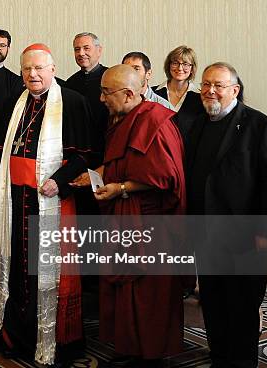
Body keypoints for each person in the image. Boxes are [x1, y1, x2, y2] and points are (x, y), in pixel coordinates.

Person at [0, 43, 92, 366]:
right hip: (15, 202)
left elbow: (85, 156)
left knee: (47, 272)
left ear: (52, 70)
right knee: (18, 268)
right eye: (27, 69)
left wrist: (58, 180)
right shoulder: (11, 104)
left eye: (39, 68)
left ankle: (53, 343)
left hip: (51, 201)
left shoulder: (72, 102)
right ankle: (16, 336)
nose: (33, 74)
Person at [186, 62, 267, 368]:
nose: (210, 91)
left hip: (245, 235)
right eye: (206, 85)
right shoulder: (198, 124)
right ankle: (220, 355)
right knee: (213, 300)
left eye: (219, 85)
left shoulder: (260, 125)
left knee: (242, 303)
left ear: (235, 90)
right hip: (205, 233)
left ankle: (240, 361)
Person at [92, 64, 186, 367]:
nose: (102, 98)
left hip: (149, 222)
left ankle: (151, 354)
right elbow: (122, 159)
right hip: (124, 216)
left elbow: (164, 177)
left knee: (148, 293)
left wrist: (120, 187)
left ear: (130, 94)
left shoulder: (154, 122)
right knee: (124, 289)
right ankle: (129, 347)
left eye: (107, 92)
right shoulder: (124, 119)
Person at [65, 32, 108, 158]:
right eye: (77, 49)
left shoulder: (111, 78)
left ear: (99, 50)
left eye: (86, 48)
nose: (81, 53)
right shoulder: (70, 83)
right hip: (78, 149)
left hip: (105, 145)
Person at [153, 45, 204, 138]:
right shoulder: (153, 93)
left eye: (185, 64)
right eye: (175, 63)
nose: (180, 68)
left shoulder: (201, 97)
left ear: (192, 68)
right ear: (169, 65)